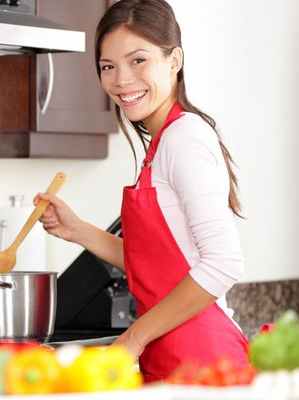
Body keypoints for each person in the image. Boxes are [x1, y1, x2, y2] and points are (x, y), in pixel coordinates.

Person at [35, 0, 248, 383]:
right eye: (108, 67)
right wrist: (77, 229)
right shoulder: (162, 143)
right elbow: (158, 264)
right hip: (175, 360)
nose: (121, 80)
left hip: (204, 365)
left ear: (174, 60)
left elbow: (224, 262)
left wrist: (133, 339)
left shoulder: (185, 138)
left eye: (137, 61)